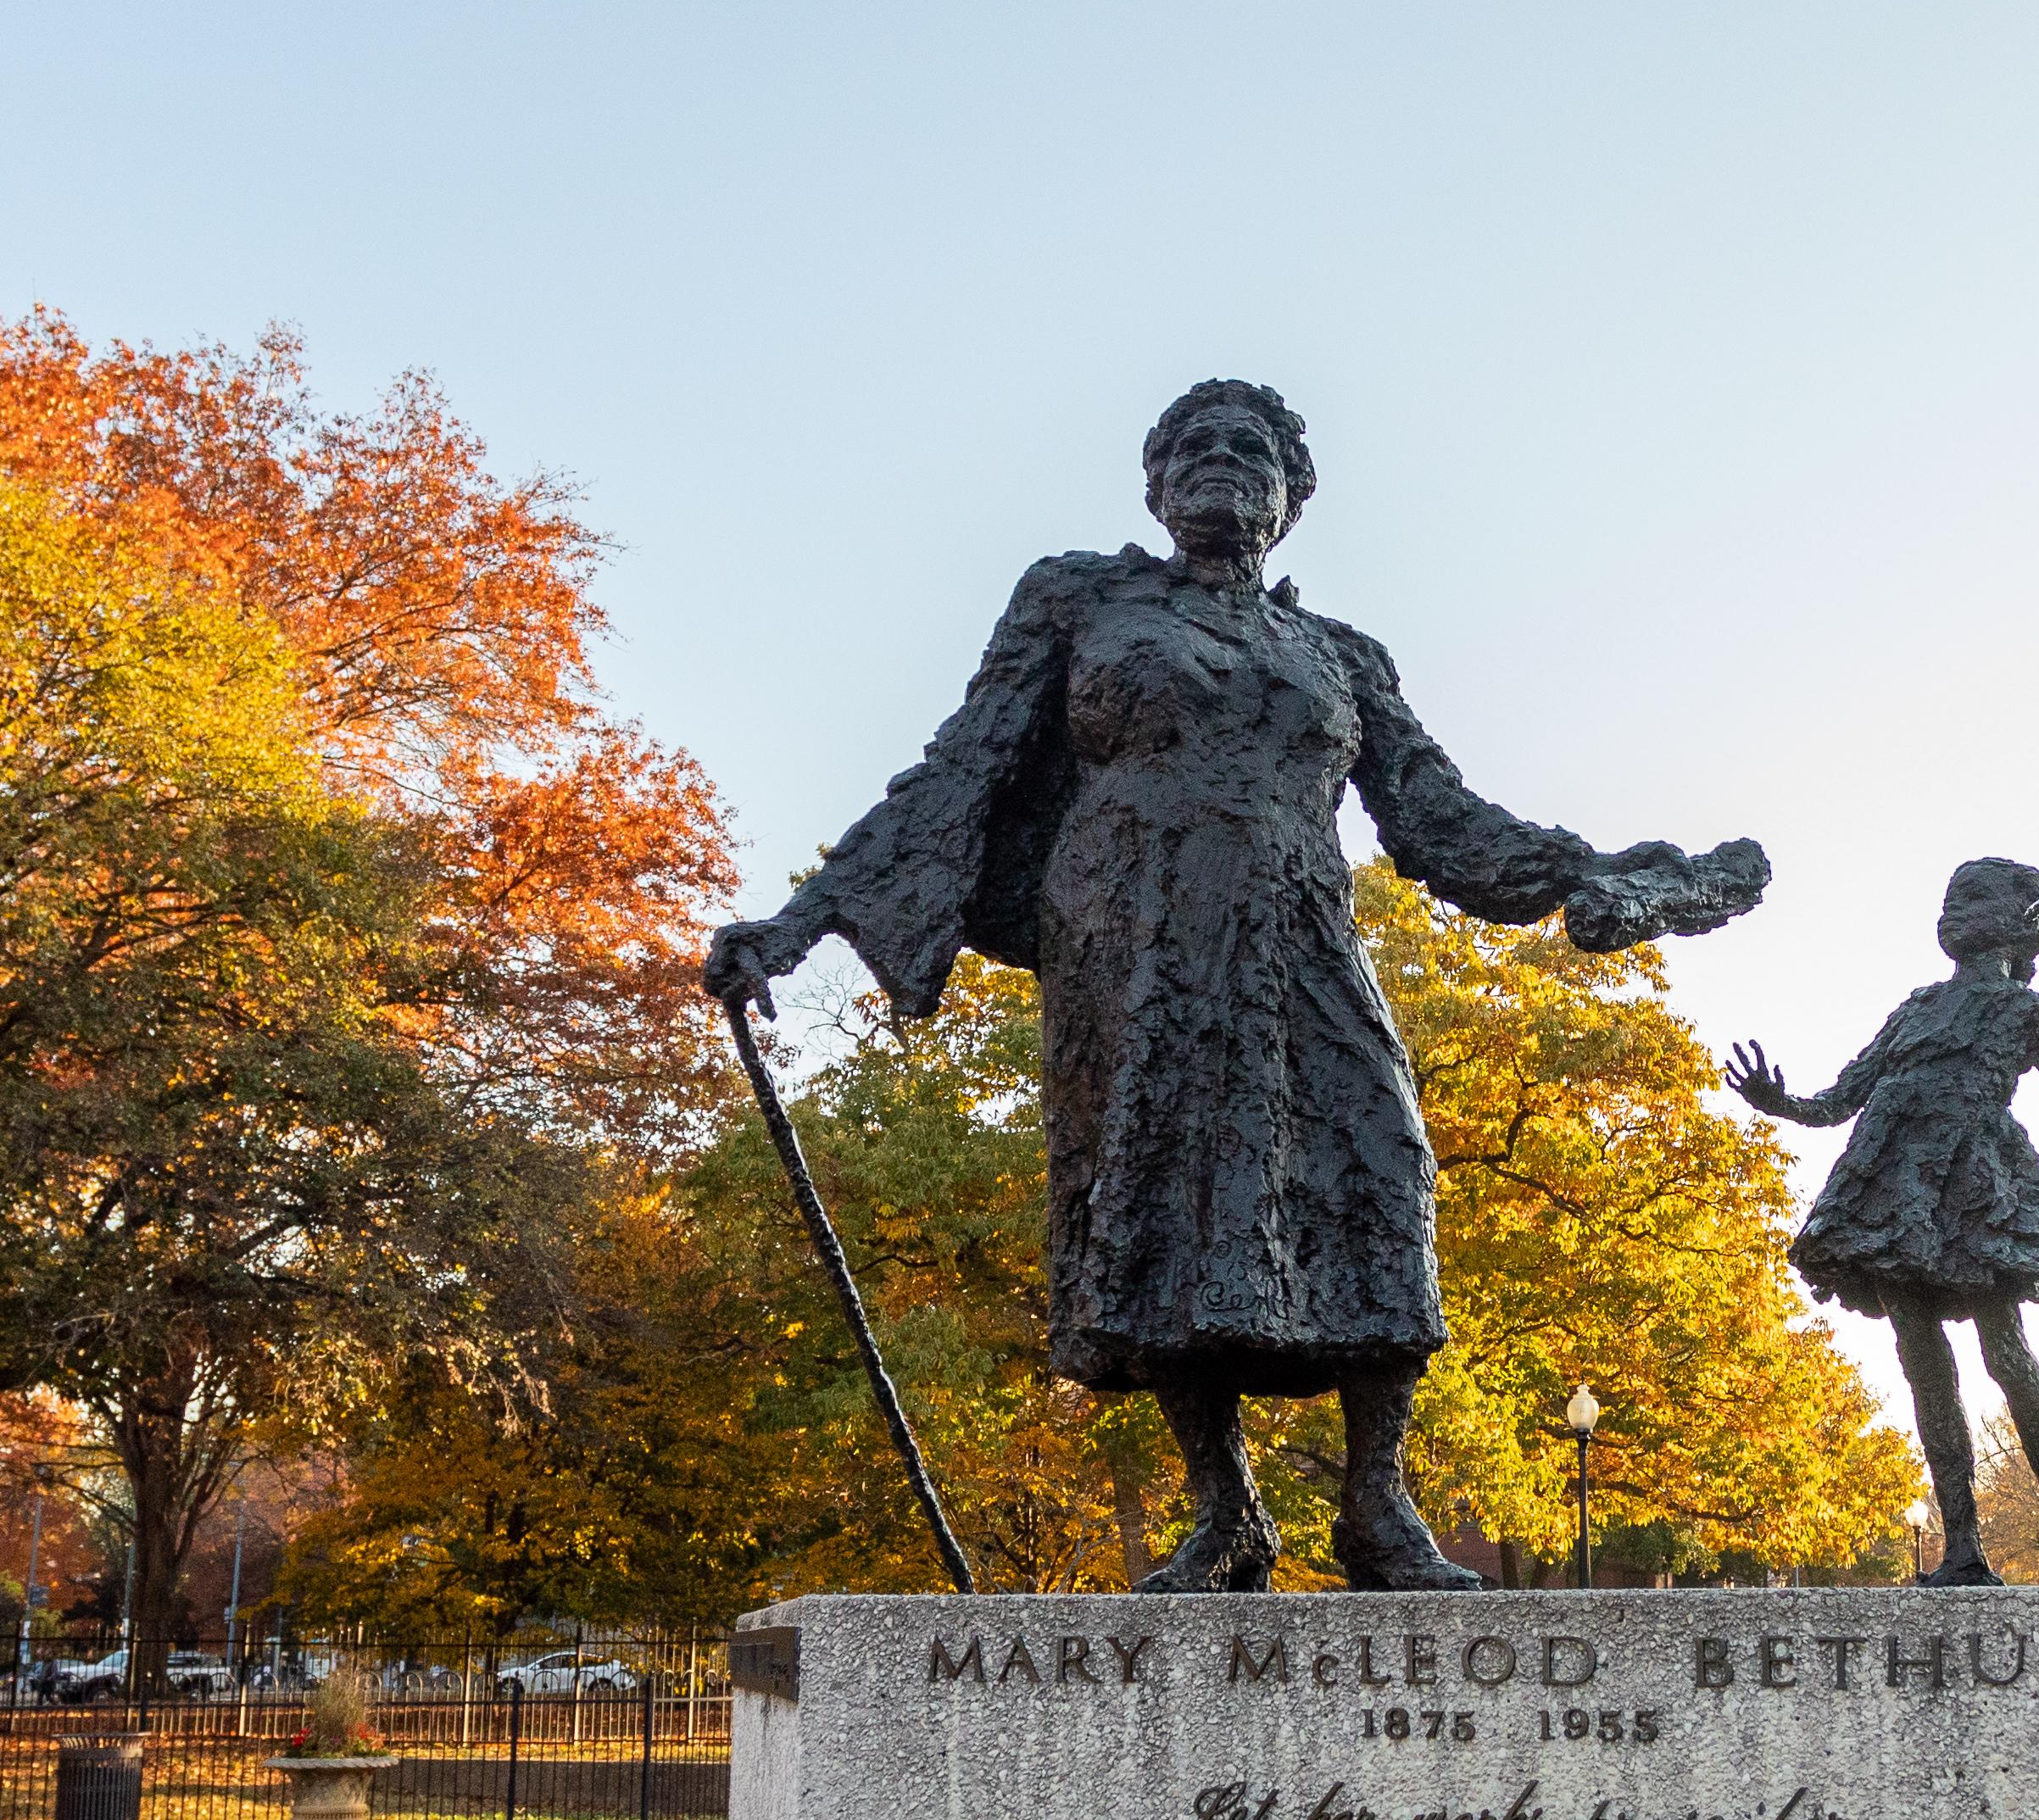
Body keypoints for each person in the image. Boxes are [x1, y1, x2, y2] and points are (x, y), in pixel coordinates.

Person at [708, 379, 1771, 1592]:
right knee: (1158, 1190)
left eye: (1250, 451)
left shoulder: (1339, 655)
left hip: (1300, 941)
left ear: (1292, 500)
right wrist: (797, 924)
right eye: (1192, 450)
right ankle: (1226, 1514)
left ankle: (1377, 1505)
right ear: (1155, 489)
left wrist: (1605, 877)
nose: (1221, 465)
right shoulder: (1080, 601)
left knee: (1381, 1165)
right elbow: (962, 763)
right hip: (1134, 938)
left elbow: (1441, 821)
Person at [1725, 856, 2039, 1586]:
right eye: (1949, 898)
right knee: (1924, 1363)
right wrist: (1781, 1103)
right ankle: (1961, 1545)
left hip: (1974, 1184)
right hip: (1892, 1185)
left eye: (1972, 898)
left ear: (2024, 923)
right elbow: (1842, 1095)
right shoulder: (1915, 1007)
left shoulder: (2028, 1011)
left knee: (2006, 1350)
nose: (1952, 910)